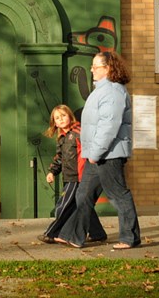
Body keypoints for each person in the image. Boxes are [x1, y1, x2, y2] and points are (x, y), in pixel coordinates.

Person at [57, 50, 142, 250]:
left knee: (118, 195)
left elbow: (108, 126)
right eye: (92, 66)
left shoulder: (113, 92)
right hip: (96, 154)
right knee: (83, 195)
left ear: (108, 68)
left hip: (108, 154)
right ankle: (74, 235)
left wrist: (95, 153)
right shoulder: (101, 90)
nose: (92, 70)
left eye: (96, 66)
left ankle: (130, 238)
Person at [37, 104, 108, 246]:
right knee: (82, 205)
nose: (61, 119)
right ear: (54, 122)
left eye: (63, 115)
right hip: (69, 177)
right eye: (57, 118)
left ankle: (52, 233)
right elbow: (59, 158)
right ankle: (98, 233)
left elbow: (91, 148)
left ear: (70, 116)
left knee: (63, 206)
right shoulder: (62, 137)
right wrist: (52, 171)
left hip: (78, 177)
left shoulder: (78, 132)